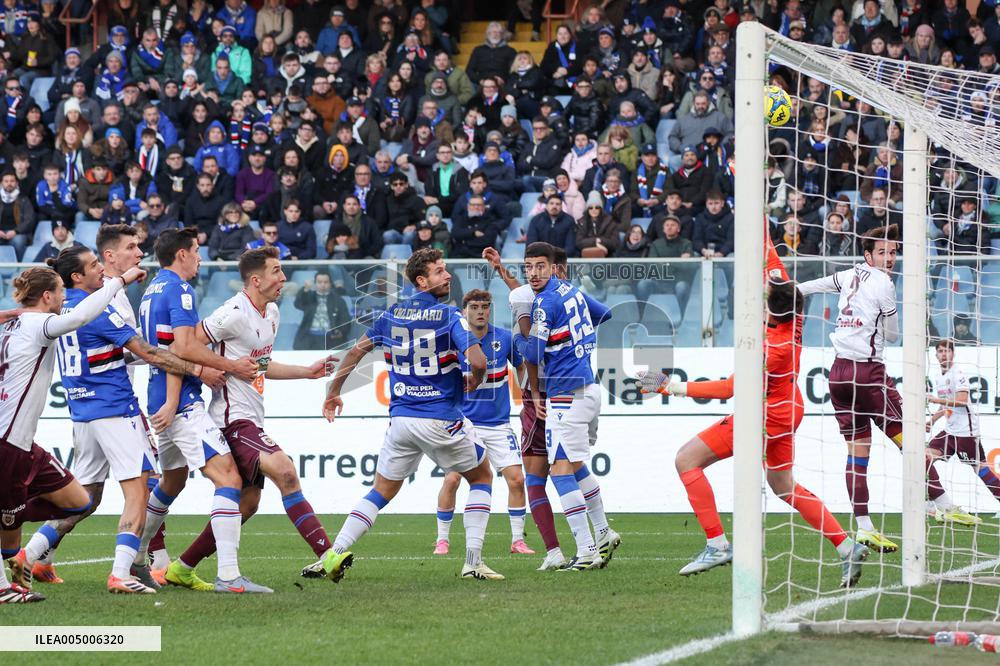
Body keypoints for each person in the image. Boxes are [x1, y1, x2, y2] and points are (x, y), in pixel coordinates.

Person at [637, 215, 870, 586]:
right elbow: (770, 254)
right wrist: (756, 214)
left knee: (686, 460)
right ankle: (846, 546)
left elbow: (729, 389)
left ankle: (717, 544)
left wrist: (670, 386)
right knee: (784, 486)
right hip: (788, 407)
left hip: (764, 416)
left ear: (768, 305)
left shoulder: (770, 349)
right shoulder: (792, 311)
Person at [13, 246, 202, 594]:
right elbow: (147, 352)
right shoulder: (97, 309)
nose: (101, 269)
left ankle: (29, 554)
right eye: (94, 265)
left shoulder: (60, 309)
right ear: (77, 276)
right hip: (114, 409)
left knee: (88, 496)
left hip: (82, 412)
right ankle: (121, 573)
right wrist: (197, 368)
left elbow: (111, 353)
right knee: (138, 490)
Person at [153, 247, 342, 586]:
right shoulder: (233, 312)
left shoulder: (272, 313)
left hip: (252, 417)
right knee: (285, 470)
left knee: (248, 504)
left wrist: (306, 372)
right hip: (231, 419)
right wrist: (210, 370)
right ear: (256, 280)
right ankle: (328, 554)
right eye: (276, 271)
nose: (283, 277)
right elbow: (186, 345)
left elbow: (260, 365)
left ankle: (182, 568)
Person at [322, 248, 504, 581]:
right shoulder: (449, 315)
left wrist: (333, 392)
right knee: (481, 477)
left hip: (402, 420)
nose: (447, 275)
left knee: (381, 491)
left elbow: (355, 353)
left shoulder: (390, 314)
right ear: (421, 280)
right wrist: (475, 381)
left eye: (446, 269)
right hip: (440, 418)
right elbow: (479, 362)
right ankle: (473, 562)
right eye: (439, 271)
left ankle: (334, 552)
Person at [797, 225, 969, 553]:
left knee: (858, 452)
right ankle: (942, 503)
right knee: (911, 442)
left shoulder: (847, 275)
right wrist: (886, 316)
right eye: (882, 252)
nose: (889, 258)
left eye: (892, 252)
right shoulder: (885, 283)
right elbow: (891, 335)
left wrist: (785, 289)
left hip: (838, 374)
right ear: (868, 255)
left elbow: (811, 286)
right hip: (868, 374)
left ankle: (864, 527)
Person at [0, 260, 146, 603]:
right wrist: (120, 281)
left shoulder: (13, 324)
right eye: (61, 292)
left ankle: (9, 512)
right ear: (47, 297)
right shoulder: (39, 324)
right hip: (8, 441)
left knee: (78, 501)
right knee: (9, 535)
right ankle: (4, 588)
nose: (65, 299)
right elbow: (80, 317)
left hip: (22, 442)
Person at [134, 228, 271, 594]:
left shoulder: (152, 290)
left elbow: (165, 349)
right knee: (229, 478)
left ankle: (136, 557)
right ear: (181, 254)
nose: (199, 257)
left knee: (173, 480)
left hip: (160, 397)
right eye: (196, 250)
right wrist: (222, 367)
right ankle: (229, 576)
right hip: (180, 402)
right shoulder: (180, 289)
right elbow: (182, 347)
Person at [522, 242, 620, 570]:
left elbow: (533, 353)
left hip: (565, 395)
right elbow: (604, 313)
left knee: (560, 471)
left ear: (553, 267)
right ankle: (603, 532)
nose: (533, 273)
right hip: (589, 388)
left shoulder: (545, 301)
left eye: (540, 266)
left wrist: (520, 333)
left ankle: (586, 549)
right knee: (576, 465)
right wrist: (574, 340)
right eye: (528, 267)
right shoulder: (571, 290)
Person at [434, 289, 534, 556]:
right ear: (464, 311)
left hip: (498, 424)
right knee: (452, 479)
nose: (480, 311)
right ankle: (442, 539)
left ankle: (517, 541)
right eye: (475, 307)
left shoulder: (504, 338)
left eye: (485, 307)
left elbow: (521, 366)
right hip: (464, 424)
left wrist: (528, 395)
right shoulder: (454, 341)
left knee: (516, 480)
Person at [925, 339, 994, 521]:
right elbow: (946, 405)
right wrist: (932, 421)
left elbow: (962, 401)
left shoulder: (958, 374)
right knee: (923, 457)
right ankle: (932, 503)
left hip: (966, 433)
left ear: (953, 354)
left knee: (981, 470)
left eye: (947, 351)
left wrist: (936, 400)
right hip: (949, 432)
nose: (943, 354)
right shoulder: (939, 376)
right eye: (940, 351)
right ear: (936, 355)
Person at [293, 270, 351, 351]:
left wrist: (341, 331)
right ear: (315, 283)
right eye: (319, 282)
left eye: (326, 282)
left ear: (330, 284)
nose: (323, 285)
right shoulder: (308, 296)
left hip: (330, 337)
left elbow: (345, 319)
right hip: (309, 336)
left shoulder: (338, 300)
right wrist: (305, 290)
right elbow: (297, 304)